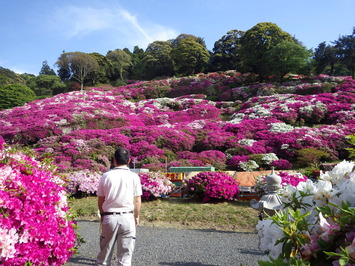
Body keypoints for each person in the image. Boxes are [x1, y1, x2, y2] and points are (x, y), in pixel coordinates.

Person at [96, 148, 142, 266]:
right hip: (128, 217)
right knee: (125, 257)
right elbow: (137, 200)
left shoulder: (106, 176)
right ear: (129, 160)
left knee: (105, 255)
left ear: (114, 160)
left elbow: (101, 199)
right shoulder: (134, 177)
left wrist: (102, 215)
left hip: (110, 217)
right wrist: (136, 216)